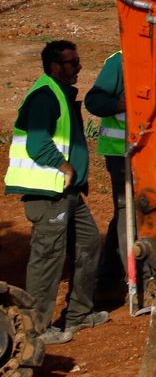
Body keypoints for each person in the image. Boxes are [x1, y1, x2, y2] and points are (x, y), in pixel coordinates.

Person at [5, 40, 108, 345]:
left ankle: (79, 314)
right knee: (47, 257)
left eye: (77, 61)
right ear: (54, 66)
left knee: (88, 243)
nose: (78, 67)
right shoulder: (44, 96)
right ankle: (35, 327)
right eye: (72, 63)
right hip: (49, 193)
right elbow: (37, 144)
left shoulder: (60, 94)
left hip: (69, 194)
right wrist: (64, 167)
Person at [84, 50, 127, 306]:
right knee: (126, 211)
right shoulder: (120, 62)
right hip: (121, 152)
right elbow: (94, 101)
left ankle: (111, 273)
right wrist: (118, 104)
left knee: (132, 213)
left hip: (151, 151)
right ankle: (119, 275)